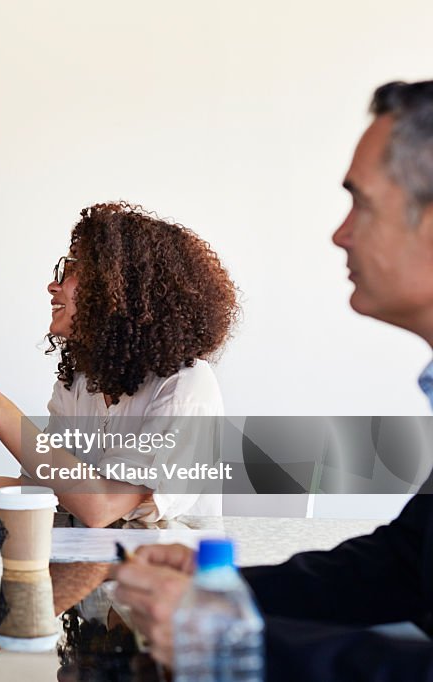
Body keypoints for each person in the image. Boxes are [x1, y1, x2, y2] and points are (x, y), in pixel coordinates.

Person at [114, 79, 433, 680]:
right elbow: (405, 562)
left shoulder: (182, 384)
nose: (341, 233)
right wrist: (224, 593)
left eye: (361, 202)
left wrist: (239, 642)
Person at [0, 202, 239, 526]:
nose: (52, 286)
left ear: (118, 288)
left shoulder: (184, 388)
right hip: (92, 579)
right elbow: (44, 491)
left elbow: (100, 506)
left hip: (167, 584)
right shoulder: (80, 381)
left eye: (71, 270)